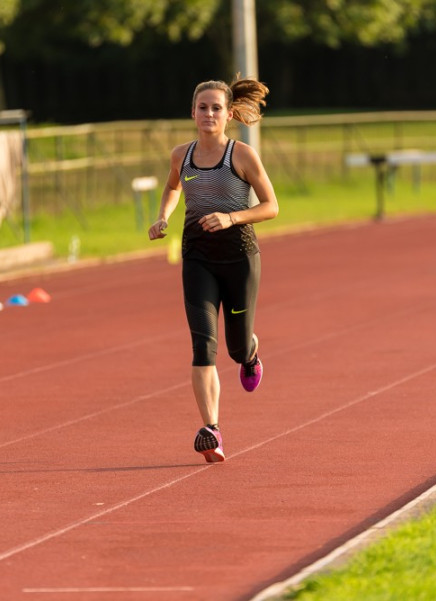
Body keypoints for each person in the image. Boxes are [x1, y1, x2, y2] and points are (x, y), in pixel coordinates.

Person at [148, 76, 279, 463]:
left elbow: (271, 207)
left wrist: (231, 217)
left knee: (236, 349)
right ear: (192, 113)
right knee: (203, 346)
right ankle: (212, 428)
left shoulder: (241, 155)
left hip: (239, 259)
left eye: (216, 108)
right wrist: (163, 217)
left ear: (229, 114)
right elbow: (174, 187)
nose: (209, 114)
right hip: (198, 260)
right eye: (202, 107)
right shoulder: (181, 155)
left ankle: (251, 353)